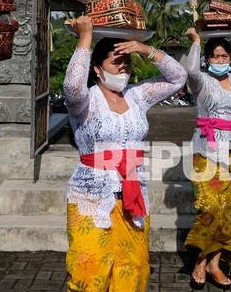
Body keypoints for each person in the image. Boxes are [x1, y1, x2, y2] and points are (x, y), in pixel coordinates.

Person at [63, 16, 187, 292]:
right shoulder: (85, 101)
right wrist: (85, 38)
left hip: (133, 192)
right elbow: (72, 87)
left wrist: (146, 51)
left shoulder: (138, 96)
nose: (124, 68)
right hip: (91, 196)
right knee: (88, 272)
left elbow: (179, 77)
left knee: (132, 269)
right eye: (116, 62)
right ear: (97, 68)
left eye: (127, 63)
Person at [183, 26, 231, 289]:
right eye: (215, 56)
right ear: (207, 59)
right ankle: (200, 260)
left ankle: (213, 264)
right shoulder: (202, 81)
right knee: (211, 206)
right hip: (206, 152)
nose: (220, 60)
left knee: (229, 211)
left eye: (224, 56)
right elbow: (191, 71)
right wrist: (196, 42)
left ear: (230, 58)